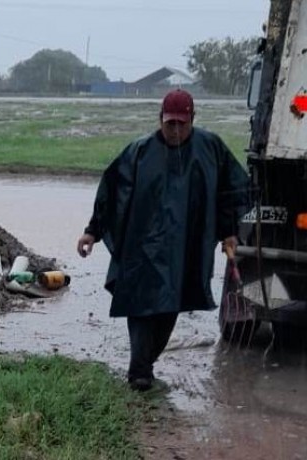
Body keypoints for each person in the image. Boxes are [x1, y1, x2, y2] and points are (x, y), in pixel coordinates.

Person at [76, 89, 250, 391]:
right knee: (142, 305)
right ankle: (139, 372)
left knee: (171, 305)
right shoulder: (139, 152)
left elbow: (231, 192)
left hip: (187, 248)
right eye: (170, 124)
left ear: (193, 120)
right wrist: (92, 231)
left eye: (182, 124)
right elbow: (111, 192)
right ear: (160, 120)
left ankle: (144, 366)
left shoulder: (211, 148)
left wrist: (228, 232)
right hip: (142, 246)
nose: (176, 130)